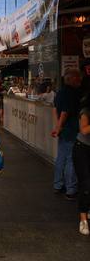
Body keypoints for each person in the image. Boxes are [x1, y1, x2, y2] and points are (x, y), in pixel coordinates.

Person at [51, 69, 82, 200]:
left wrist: (57, 126)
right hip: (71, 130)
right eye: (78, 78)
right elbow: (65, 112)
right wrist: (59, 127)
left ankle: (58, 185)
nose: (80, 80)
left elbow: (55, 109)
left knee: (61, 158)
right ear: (73, 79)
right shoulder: (72, 93)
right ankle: (71, 190)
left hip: (63, 131)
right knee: (71, 160)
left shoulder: (60, 92)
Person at [73, 94, 90, 235]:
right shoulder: (85, 111)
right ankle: (83, 219)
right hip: (82, 149)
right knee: (86, 183)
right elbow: (84, 130)